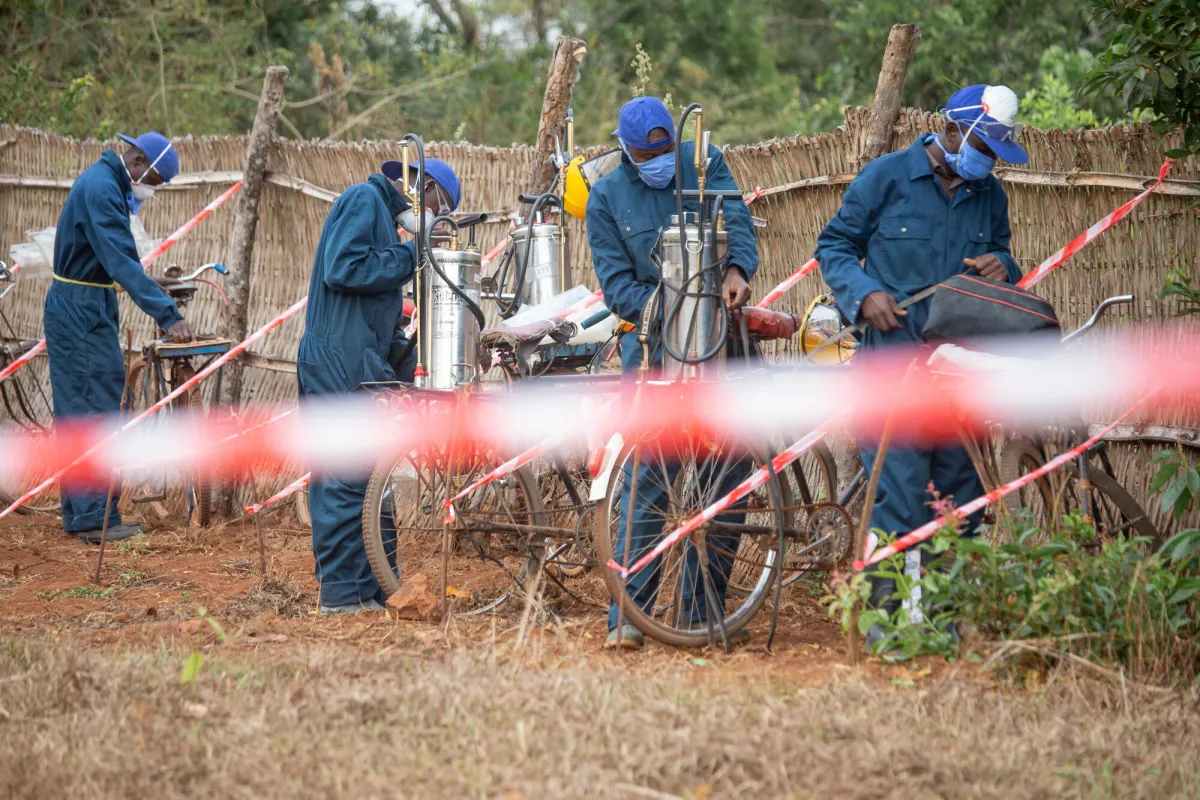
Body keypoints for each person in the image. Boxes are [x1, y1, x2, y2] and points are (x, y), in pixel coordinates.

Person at [815, 84, 1027, 645]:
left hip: (960, 373)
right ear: (953, 130)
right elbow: (834, 246)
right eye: (984, 148)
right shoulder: (885, 177)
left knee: (959, 501)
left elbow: (1005, 254)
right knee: (900, 496)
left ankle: (941, 629)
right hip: (892, 369)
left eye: (997, 153)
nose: (990, 161)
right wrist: (863, 293)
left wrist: (1002, 264)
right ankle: (886, 631)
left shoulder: (990, 195)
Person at [586, 96, 759, 649]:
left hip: (724, 344)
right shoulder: (606, 197)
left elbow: (738, 220)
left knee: (727, 475)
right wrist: (669, 307)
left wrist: (736, 270)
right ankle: (630, 619)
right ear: (626, 150)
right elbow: (617, 285)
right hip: (654, 351)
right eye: (646, 155)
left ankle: (700, 612)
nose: (659, 163)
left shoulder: (704, 162)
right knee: (648, 480)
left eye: (665, 152)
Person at [297, 157, 460, 614]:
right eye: (440, 209)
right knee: (344, 477)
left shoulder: (387, 226)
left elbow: (379, 320)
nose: (436, 221)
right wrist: (413, 254)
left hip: (359, 363)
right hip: (337, 361)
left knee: (371, 481)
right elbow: (343, 268)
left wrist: (418, 358)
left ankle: (371, 588)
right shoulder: (364, 199)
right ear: (425, 188)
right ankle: (340, 594)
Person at [45, 131, 195, 544]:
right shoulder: (102, 190)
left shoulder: (104, 183)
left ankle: (84, 513)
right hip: (81, 311)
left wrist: (152, 283)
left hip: (86, 302)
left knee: (83, 408)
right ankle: (95, 518)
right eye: (156, 182)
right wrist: (168, 314)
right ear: (139, 163)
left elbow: (114, 259)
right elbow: (120, 262)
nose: (153, 190)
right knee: (94, 411)